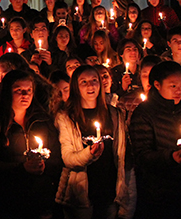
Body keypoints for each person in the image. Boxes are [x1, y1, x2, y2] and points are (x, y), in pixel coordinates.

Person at [0, 69, 63, 219]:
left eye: (29, 90)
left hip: (39, 199)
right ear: (7, 92)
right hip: (5, 200)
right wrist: (21, 169)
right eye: (19, 90)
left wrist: (45, 168)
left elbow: (56, 155)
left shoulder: (42, 120)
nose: (25, 95)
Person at [129, 61, 181, 219]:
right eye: (173, 86)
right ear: (157, 85)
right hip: (159, 191)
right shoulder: (144, 113)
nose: (179, 91)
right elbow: (142, 155)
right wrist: (170, 157)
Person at [55, 65, 134, 219]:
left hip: (109, 190)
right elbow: (68, 158)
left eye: (94, 80)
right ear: (76, 87)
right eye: (83, 82)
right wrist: (89, 153)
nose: (90, 85)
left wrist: (128, 197)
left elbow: (124, 157)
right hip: (80, 195)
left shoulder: (114, 115)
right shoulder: (66, 117)